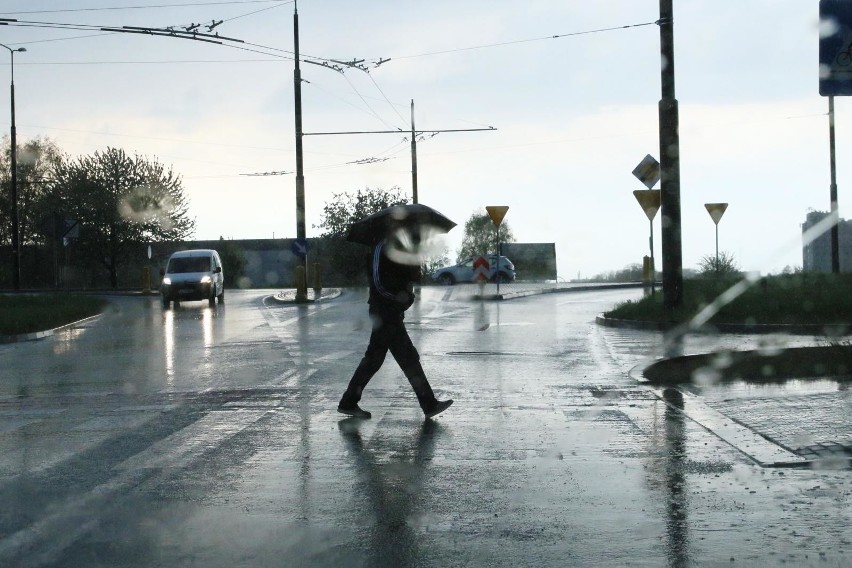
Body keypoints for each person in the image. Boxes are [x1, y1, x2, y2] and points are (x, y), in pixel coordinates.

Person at [338, 236, 453, 420]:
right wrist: (396, 298)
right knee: (406, 358)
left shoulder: (396, 246)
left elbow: (402, 276)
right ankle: (429, 404)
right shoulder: (380, 247)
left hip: (391, 312)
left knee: (376, 360)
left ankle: (349, 401)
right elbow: (377, 282)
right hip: (384, 313)